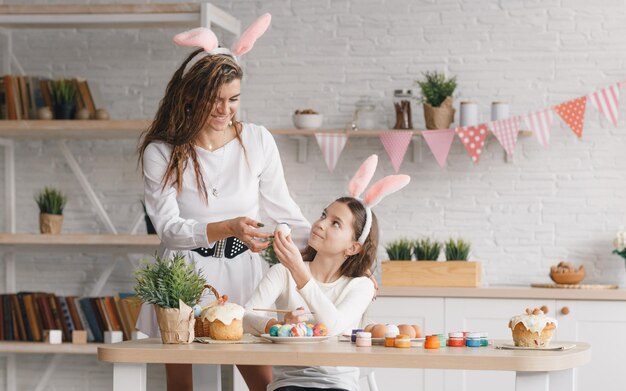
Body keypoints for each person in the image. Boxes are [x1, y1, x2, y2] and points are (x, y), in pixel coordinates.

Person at [136, 14, 311, 391]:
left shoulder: (258, 140)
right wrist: (226, 226)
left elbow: (286, 213)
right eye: (213, 100)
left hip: (243, 274)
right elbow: (168, 230)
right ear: (189, 96)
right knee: (184, 385)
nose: (224, 110)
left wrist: (341, 255)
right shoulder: (163, 151)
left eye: (233, 100)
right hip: (182, 277)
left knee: (262, 382)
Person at [244, 155, 410, 391]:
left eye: (335, 223)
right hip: (288, 384)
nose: (320, 223)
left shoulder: (361, 286)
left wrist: (300, 272)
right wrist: (277, 326)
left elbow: (333, 327)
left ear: (353, 247)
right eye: (324, 215)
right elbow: (243, 317)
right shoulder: (282, 273)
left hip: (337, 385)